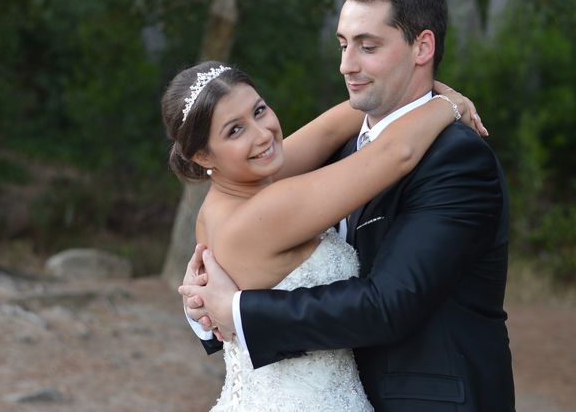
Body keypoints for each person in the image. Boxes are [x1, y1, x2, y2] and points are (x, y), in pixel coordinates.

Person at [180, 0, 515, 411]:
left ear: (423, 47)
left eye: (367, 46)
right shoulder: (336, 154)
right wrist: (206, 306)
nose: (346, 65)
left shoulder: (456, 158)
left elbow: (389, 303)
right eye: (343, 45)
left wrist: (237, 312)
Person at [162, 58, 483, 411]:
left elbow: (334, 126)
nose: (262, 134)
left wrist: (430, 88)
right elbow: (397, 153)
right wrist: (450, 106)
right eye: (234, 130)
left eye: (259, 110)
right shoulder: (267, 210)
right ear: (202, 155)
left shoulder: (229, 198)